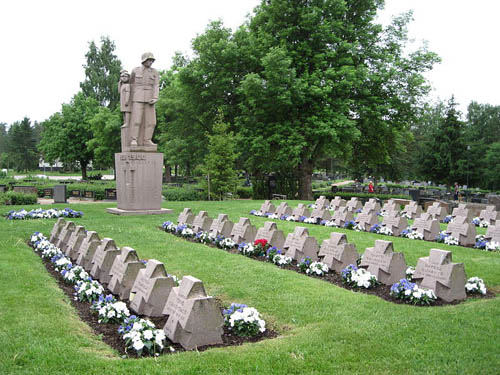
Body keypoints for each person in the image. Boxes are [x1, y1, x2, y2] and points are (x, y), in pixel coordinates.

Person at [129, 52, 159, 147]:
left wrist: (155, 97)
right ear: (144, 60)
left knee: (152, 122)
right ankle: (134, 139)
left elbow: (156, 85)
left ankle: (147, 140)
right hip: (137, 98)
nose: (151, 62)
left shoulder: (155, 72)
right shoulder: (135, 70)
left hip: (150, 99)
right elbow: (130, 84)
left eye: (152, 60)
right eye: (149, 60)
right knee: (136, 120)